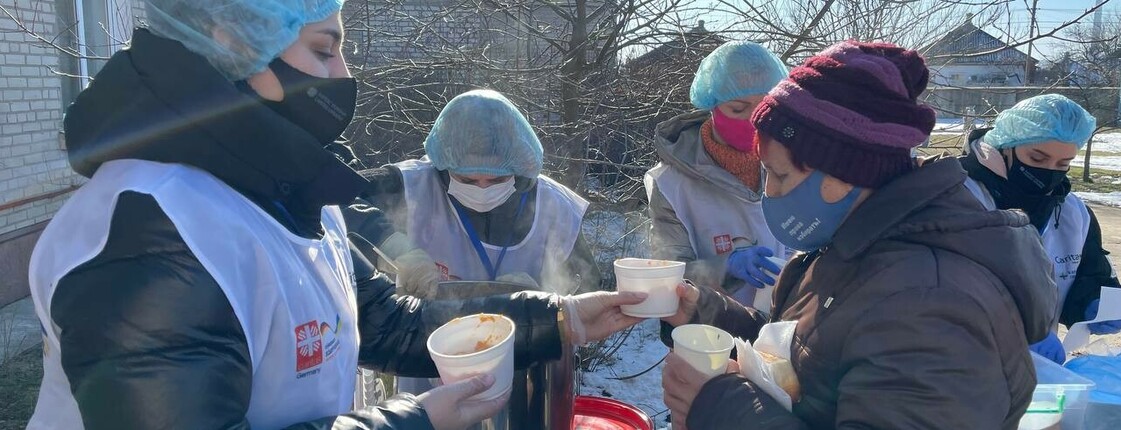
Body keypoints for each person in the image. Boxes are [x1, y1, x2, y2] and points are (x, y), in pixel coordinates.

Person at [26, 1, 645, 429]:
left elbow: (393, 325)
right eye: (324, 50)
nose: (344, 75)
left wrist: (561, 318)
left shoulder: (280, 195)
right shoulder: (154, 231)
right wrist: (416, 422)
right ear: (234, 43)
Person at [658, 41, 1056, 429]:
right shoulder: (857, 242)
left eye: (779, 175)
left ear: (842, 175)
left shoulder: (930, 305)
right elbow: (809, 351)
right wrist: (706, 311)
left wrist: (721, 405)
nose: (770, 194)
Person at [355, 89, 600, 297]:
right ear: (444, 164)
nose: (482, 189)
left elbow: (589, 290)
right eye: (467, 179)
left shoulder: (555, 206)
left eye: (498, 179)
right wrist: (393, 246)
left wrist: (544, 298)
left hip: (523, 342)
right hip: (425, 338)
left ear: (520, 170)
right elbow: (333, 199)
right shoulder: (411, 185)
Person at [961, 94, 1121, 364]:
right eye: (1036, 158)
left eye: (1063, 164)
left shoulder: (1073, 213)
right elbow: (938, 283)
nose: (1049, 172)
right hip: (955, 366)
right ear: (1007, 146)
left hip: (1036, 371)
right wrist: (1012, 327)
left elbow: (1090, 274)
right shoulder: (958, 194)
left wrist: (1095, 303)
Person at [645, 41, 788, 307]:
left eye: (764, 108)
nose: (752, 120)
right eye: (738, 109)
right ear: (712, 105)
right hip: (704, 332)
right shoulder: (670, 185)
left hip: (780, 329)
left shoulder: (789, 164)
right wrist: (724, 267)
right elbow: (668, 274)